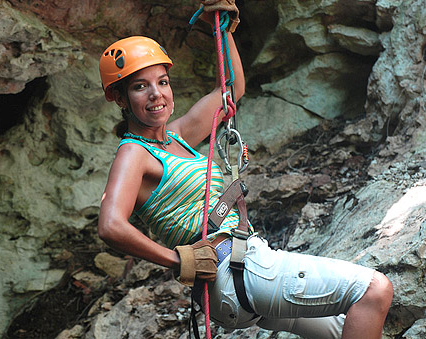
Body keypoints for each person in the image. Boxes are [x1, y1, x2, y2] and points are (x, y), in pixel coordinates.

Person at [97, 4, 393, 338]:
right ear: (119, 98)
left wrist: (220, 29)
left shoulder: (178, 136)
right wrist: (178, 261)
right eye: (140, 86)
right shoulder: (133, 153)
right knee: (374, 290)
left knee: (351, 328)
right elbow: (110, 225)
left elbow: (231, 90)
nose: (156, 94)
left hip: (236, 281)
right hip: (236, 271)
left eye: (162, 81)